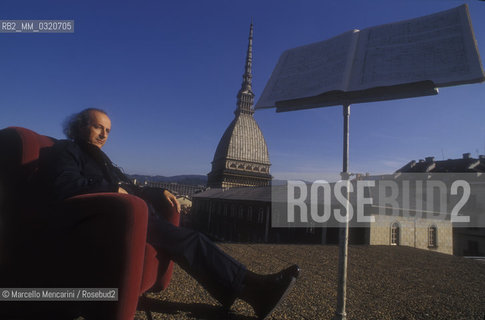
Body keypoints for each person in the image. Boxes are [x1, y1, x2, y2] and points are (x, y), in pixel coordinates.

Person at [41, 108, 300, 320]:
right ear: (80, 125)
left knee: (189, 240)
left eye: (107, 130)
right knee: (192, 241)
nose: (104, 134)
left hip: (132, 217)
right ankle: (255, 288)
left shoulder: (100, 158)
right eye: (99, 127)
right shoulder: (67, 151)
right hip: (111, 223)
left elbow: (131, 188)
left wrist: (159, 191)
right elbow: (66, 186)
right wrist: (112, 189)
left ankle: (253, 291)